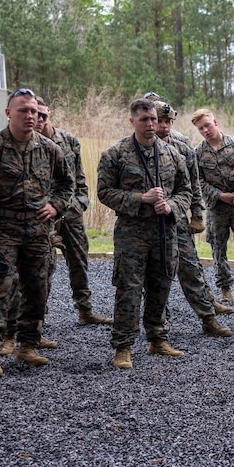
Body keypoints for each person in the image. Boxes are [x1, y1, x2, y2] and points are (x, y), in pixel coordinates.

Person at [0, 87, 73, 378]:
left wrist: (56, 206)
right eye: (23, 111)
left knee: (37, 289)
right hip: (3, 231)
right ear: (8, 113)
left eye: (34, 111)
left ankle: (28, 345)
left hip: (38, 231)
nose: (31, 116)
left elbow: (67, 185)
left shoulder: (49, 148)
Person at [97, 97, 193, 369]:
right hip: (132, 234)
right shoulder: (115, 154)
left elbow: (186, 191)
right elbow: (104, 193)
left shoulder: (173, 154)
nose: (151, 124)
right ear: (132, 121)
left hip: (165, 232)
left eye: (153, 119)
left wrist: (171, 206)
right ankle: (123, 346)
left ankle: (157, 338)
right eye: (144, 120)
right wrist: (142, 198)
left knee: (161, 285)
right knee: (129, 289)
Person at [153, 101, 234, 339]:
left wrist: (197, 215)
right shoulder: (135, 148)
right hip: (148, 223)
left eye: (168, 121)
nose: (164, 126)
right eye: (160, 121)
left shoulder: (180, 147)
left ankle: (208, 318)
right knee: (156, 275)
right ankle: (158, 326)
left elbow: (192, 183)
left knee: (191, 268)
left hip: (176, 219)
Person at [36, 98, 114, 326]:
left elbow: (79, 179)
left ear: (49, 112)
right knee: (42, 268)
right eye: (35, 115)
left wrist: (79, 204)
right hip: (44, 217)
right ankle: (36, 320)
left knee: (79, 263)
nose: (39, 119)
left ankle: (85, 310)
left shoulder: (68, 141)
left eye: (43, 115)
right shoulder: (30, 143)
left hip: (70, 214)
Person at [191, 108, 234, 305]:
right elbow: (198, 181)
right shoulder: (197, 153)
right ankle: (225, 289)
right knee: (218, 249)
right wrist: (218, 195)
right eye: (200, 128)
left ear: (216, 122)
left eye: (207, 125)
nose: (205, 130)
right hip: (216, 208)